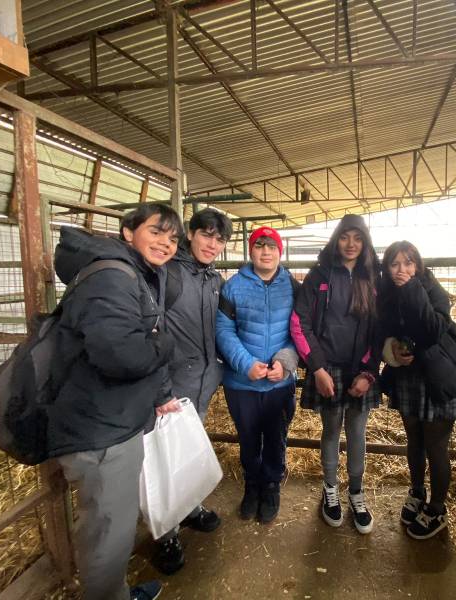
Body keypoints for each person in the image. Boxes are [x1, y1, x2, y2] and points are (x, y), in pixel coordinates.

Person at [50, 204, 185, 600]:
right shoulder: (113, 276)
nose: (166, 243)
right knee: (109, 528)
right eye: (157, 232)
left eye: (173, 238)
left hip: (110, 417)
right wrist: (165, 341)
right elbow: (123, 355)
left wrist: (158, 391)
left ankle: (115, 593)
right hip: (100, 428)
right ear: (128, 232)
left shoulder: (129, 273)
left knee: (110, 522)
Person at [152, 208, 233, 574]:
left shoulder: (213, 279)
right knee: (163, 460)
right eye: (207, 235)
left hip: (200, 384)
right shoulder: (167, 274)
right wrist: (159, 389)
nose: (212, 244)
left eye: (220, 239)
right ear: (191, 233)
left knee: (190, 452)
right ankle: (165, 533)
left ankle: (189, 509)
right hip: (168, 387)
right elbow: (149, 332)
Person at [290, 214, 381, 534]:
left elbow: (378, 329)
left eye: (358, 238)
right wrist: (317, 368)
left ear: (365, 241)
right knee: (331, 430)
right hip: (327, 369)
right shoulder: (319, 275)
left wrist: (369, 372)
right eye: (345, 237)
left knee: (357, 430)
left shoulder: (373, 276)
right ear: (336, 239)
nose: (351, 244)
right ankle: (330, 489)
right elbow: (300, 323)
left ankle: (356, 492)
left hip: (359, 369)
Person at [377, 241, 456, 540]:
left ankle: (438, 508)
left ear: (418, 266)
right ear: (387, 267)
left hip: (438, 378)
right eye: (395, 264)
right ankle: (417, 492)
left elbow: (432, 330)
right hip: (408, 379)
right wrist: (391, 348)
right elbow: (382, 330)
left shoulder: (432, 291)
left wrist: (412, 289)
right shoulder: (386, 294)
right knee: (414, 441)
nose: (401, 270)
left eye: (408, 263)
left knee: (436, 446)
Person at [215, 226, 299, 523]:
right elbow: (223, 331)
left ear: (280, 251)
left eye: (272, 246)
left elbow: (299, 331)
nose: (266, 251)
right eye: (260, 245)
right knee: (248, 437)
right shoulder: (234, 286)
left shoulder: (292, 285)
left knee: (276, 436)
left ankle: (272, 484)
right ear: (251, 251)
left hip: (279, 381)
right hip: (242, 382)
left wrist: (285, 362)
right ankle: (252, 485)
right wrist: (245, 364)